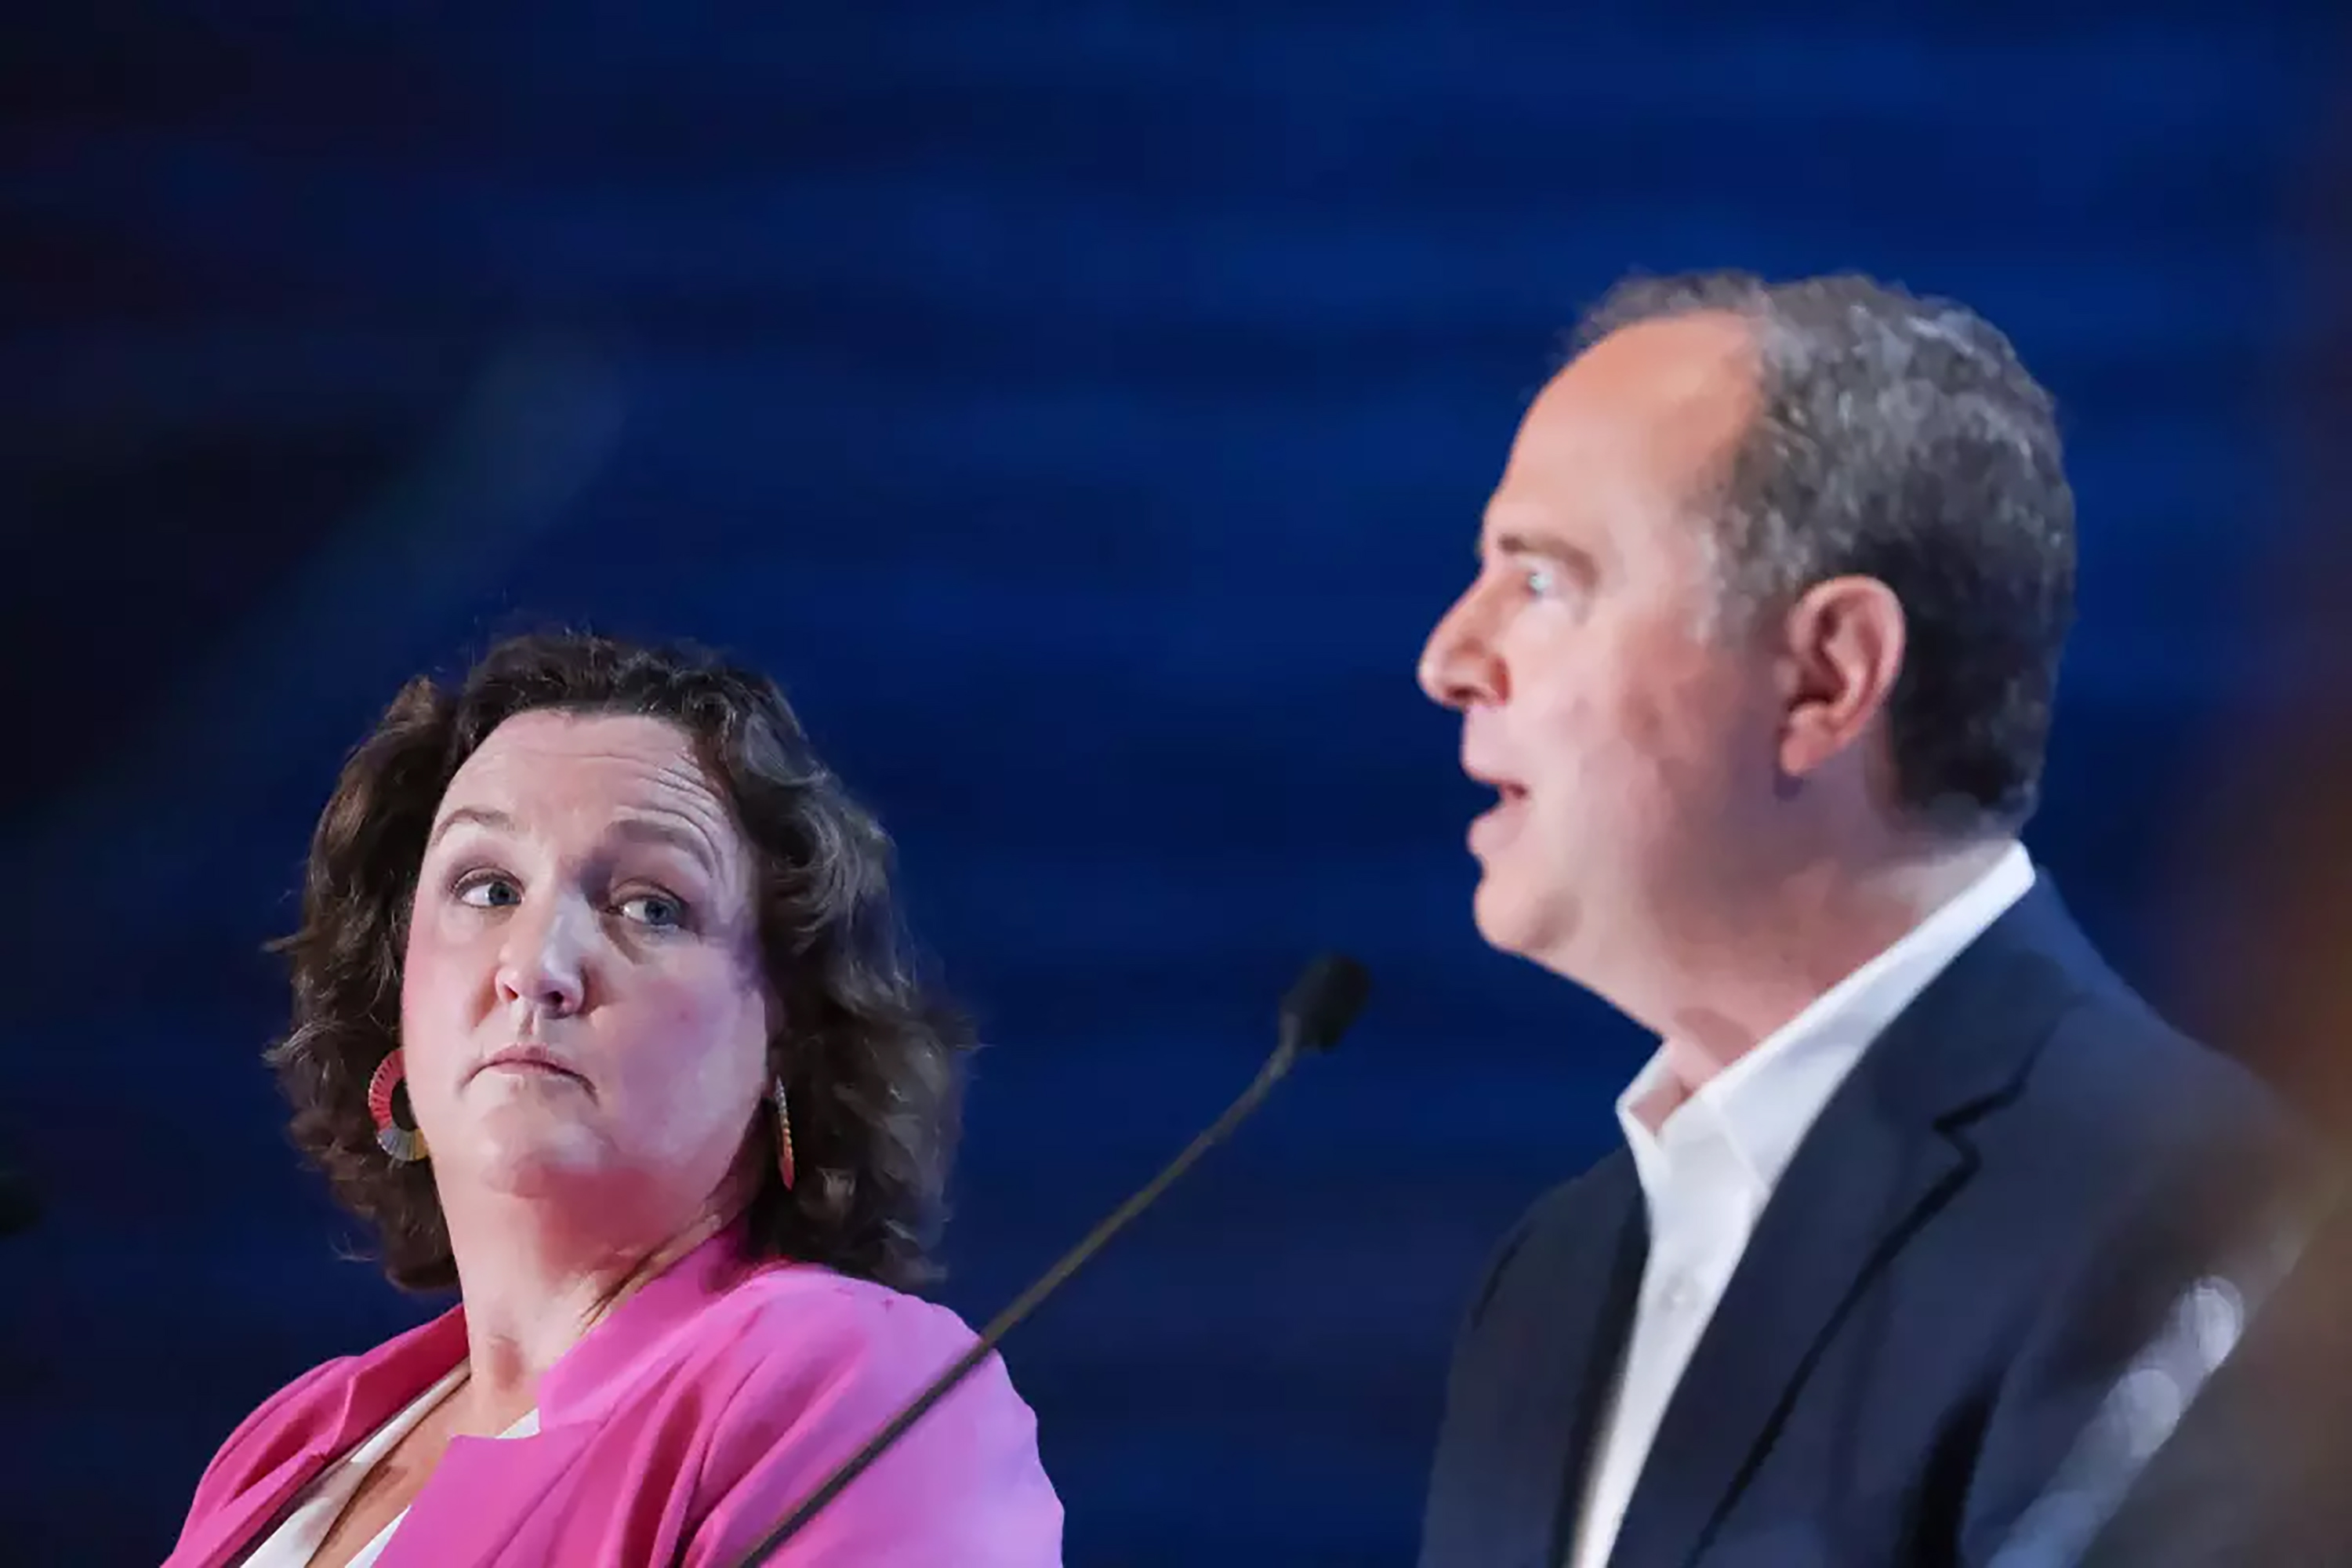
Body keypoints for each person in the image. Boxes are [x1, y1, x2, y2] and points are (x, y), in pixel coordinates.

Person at [1410, 271, 2303, 1567]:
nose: (1449, 656)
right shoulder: (1554, 1277)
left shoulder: (2206, 1222)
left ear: (1828, 675)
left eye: (1545, 582)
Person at [165, 630, 1062, 1567]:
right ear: (398, 994)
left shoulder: (857, 1386)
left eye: (651, 906)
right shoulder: (292, 1442)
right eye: (487, 886)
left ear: (785, 1038)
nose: (536, 966)